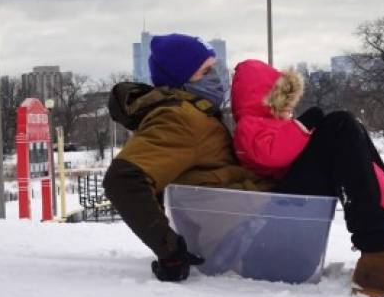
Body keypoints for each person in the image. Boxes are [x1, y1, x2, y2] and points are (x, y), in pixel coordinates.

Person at [230, 59, 384, 297]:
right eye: (283, 100)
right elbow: (272, 156)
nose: (289, 109)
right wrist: (302, 128)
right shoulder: (248, 126)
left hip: (282, 227)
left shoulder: (272, 125)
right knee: (339, 125)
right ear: (266, 99)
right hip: (271, 245)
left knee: (349, 131)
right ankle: (377, 254)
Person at [103, 34, 272, 282]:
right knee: (336, 128)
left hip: (252, 222)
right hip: (244, 238)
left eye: (214, 67)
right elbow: (124, 179)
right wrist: (170, 250)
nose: (215, 77)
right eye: (205, 71)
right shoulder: (180, 118)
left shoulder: (199, 114)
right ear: (180, 81)